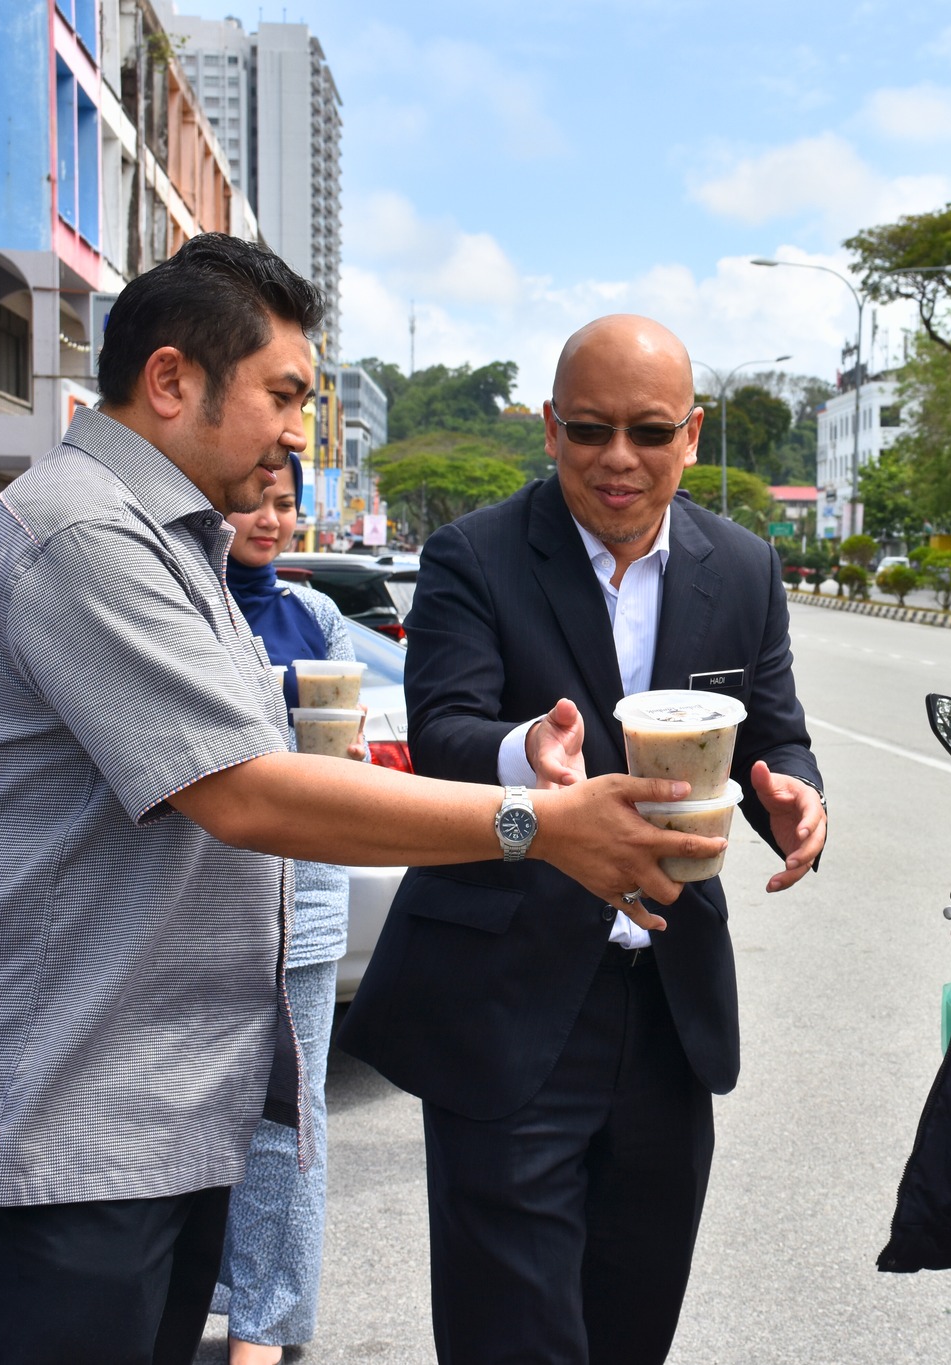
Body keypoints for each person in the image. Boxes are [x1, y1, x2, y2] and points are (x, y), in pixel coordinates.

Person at [0, 237, 724, 1365]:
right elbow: (242, 793)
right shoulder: (84, 531)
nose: (296, 433)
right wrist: (532, 824)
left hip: (146, 1114)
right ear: (175, 380)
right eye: (283, 395)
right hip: (58, 1122)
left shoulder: (175, 545)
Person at [340, 314, 828, 1365]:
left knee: (630, 1323)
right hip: (509, 1006)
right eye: (591, 430)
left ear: (690, 436)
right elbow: (445, 731)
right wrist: (530, 756)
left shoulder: (741, 569)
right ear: (550, 429)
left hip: (667, 1010)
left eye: (648, 432)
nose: (619, 459)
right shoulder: (473, 556)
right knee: (511, 1337)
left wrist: (790, 796)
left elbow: (770, 729)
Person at [213, 453, 358, 1363]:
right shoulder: (187, 604)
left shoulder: (318, 617)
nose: (269, 519)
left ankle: (264, 1323)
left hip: (304, 897)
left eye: (284, 505)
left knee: (286, 1120)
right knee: (195, 1108)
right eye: (252, 501)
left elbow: (336, 764)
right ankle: (203, 1288)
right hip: (202, 901)